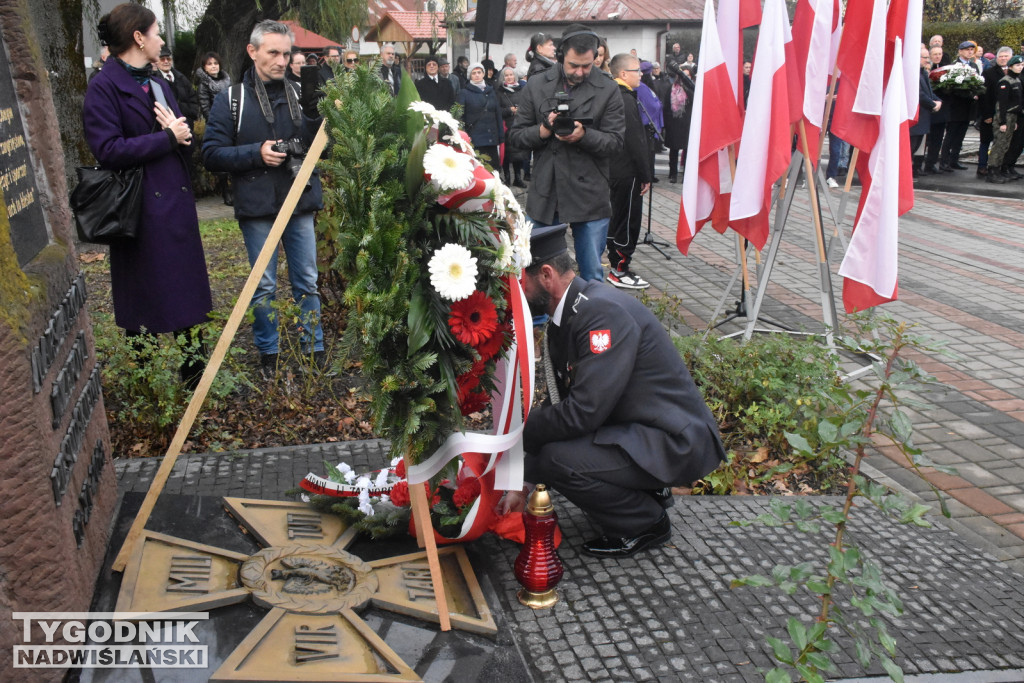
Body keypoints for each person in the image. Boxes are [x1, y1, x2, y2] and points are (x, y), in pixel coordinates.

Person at [501, 223, 726, 558]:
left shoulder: (599, 313)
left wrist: (519, 435)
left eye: (520, 282)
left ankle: (644, 522)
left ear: (546, 275)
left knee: (557, 461)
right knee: (551, 453)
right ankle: (647, 492)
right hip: (645, 430)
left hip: (676, 443)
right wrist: (522, 479)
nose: (515, 294)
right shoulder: (574, 311)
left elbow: (583, 412)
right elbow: (562, 401)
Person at [83, 3, 212, 388]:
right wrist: (166, 138)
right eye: (156, 32)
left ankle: (196, 381)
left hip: (175, 207)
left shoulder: (158, 81)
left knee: (187, 296)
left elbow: (178, 133)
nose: (161, 40)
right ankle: (148, 385)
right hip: (138, 211)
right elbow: (107, 150)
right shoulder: (103, 87)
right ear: (138, 37)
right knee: (144, 302)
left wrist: (182, 136)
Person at [202, 20, 326, 378]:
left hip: (298, 199)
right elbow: (211, 154)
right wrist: (256, 153)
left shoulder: (301, 93)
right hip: (256, 205)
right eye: (273, 52)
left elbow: (323, 148)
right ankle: (268, 355)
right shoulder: (232, 99)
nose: (281, 61)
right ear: (252, 51)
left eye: (286, 53)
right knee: (264, 285)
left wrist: (318, 116)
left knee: (307, 279)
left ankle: (313, 350)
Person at [508, 24, 625, 283]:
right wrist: (544, 130)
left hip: (590, 195)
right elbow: (516, 138)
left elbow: (616, 142)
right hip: (546, 192)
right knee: (535, 270)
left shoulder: (608, 89)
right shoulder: (538, 85)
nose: (580, 72)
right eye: (573, 65)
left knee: (592, 273)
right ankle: (538, 322)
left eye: (586, 65)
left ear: (596, 57)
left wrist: (584, 136)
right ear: (561, 56)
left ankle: (590, 321)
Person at [606, 54, 653, 290]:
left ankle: (616, 264)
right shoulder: (624, 99)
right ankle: (620, 268)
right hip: (627, 171)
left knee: (617, 218)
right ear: (623, 74)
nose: (641, 74)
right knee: (628, 221)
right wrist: (646, 174)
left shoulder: (612, 94)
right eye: (637, 70)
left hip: (614, 169)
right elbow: (636, 140)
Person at [939, 41, 982, 171]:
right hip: (955, 106)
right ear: (960, 51)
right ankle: (944, 161)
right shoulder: (953, 66)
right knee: (951, 135)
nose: (969, 52)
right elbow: (950, 87)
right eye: (967, 49)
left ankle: (954, 160)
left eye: (971, 50)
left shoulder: (973, 65)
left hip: (968, 106)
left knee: (961, 135)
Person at [457, 62, 503, 168]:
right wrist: (463, 136)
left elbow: (497, 114)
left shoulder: (491, 91)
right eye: (474, 73)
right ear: (470, 76)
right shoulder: (464, 93)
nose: (477, 75)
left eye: (479, 72)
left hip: (491, 138)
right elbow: (459, 116)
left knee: (493, 170)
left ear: (483, 74)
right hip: (475, 139)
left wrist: (500, 136)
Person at [978, 47, 1014, 177]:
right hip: (991, 112)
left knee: (1002, 142)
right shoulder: (988, 73)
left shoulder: (1014, 73)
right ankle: (982, 166)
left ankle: (1000, 166)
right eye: (1001, 56)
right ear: (996, 58)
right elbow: (983, 96)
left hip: (1008, 114)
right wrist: (986, 114)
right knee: (985, 140)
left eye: (1006, 56)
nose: (1003, 59)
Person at [987, 55, 1023, 184]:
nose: (1020, 67)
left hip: (1012, 116)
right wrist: (1002, 122)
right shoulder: (1005, 81)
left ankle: (1000, 169)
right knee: (999, 145)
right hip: (1005, 116)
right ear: (1011, 66)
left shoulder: (1017, 81)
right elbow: (1002, 104)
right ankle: (992, 170)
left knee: (1006, 145)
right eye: (1018, 65)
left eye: (1022, 65)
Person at [910, 45, 941, 178]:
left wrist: (938, 101)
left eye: (928, 57)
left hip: (924, 117)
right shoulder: (913, 73)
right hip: (916, 118)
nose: (928, 60)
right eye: (925, 57)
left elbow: (928, 92)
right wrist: (933, 104)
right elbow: (919, 94)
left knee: (916, 147)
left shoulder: (923, 72)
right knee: (911, 147)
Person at [662, 66, 694, 183]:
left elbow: (694, 100)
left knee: (687, 151)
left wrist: (686, 86)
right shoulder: (671, 88)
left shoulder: (692, 88)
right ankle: (673, 174)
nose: (684, 78)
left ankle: (686, 174)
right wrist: (665, 124)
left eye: (687, 75)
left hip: (687, 124)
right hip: (674, 124)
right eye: (682, 75)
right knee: (674, 151)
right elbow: (666, 106)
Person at [154, 45, 199, 127]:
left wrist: (191, 114)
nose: (166, 61)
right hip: (168, 125)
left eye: (168, 59)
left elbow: (192, 97)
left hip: (187, 122)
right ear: (157, 61)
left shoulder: (181, 78)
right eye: (162, 59)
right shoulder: (155, 81)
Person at [497, 66, 527, 187]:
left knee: (519, 153)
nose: (509, 77)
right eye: (506, 75)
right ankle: (507, 177)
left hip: (519, 124)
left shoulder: (522, 89)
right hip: (505, 126)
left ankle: (518, 177)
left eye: (511, 75)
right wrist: (509, 110)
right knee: (507, 154)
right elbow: (497, 109)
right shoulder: (498, 91)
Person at [922, 45, 949, 174]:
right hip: (927, 110)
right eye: (935, 54)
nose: (937, 56)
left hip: (939, 108)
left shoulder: (946, 69)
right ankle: (917, 164)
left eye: (940, 54)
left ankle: (931, 163)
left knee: (937, 138)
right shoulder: (925, 70)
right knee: (924, 140)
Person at [196, 51, 232, 119]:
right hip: (215, 121)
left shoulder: (227, 81)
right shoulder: (203, 85)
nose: (213, 66)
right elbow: (205, 109)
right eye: (209, 64)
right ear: (205, 68)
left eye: (216, 63)